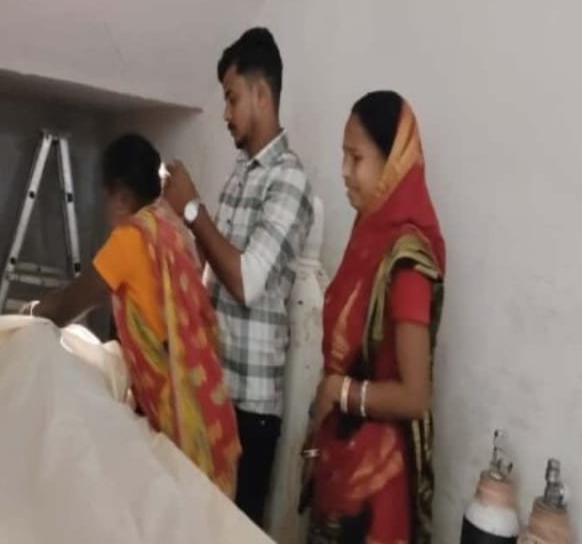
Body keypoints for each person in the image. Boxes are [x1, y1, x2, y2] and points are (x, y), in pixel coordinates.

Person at [25, 133, 240, 497]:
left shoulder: (132, 239)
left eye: (105, 197)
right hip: (210, 413)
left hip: (183, 424)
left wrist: (29, 312)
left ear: (120, 195)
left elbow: (68, 305)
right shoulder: (173, 230)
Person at [164, 27, 314, 526]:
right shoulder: (240, 173)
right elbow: (215, 269)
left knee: (232, 531)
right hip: (214, 387)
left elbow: (247, 281)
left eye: (231, 99)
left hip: (250, 409)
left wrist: (192, 210)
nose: (225, 113)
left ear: (261, 94)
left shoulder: (288, 179)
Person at [303, 91, 445, 544]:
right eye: (343, 156)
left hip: (376, 482)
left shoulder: (406, 262)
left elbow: (415, 396)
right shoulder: (368, 235)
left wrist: (339, 392)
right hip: (341, 454)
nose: (344, 171)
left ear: (393, 163)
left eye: (356, 158)